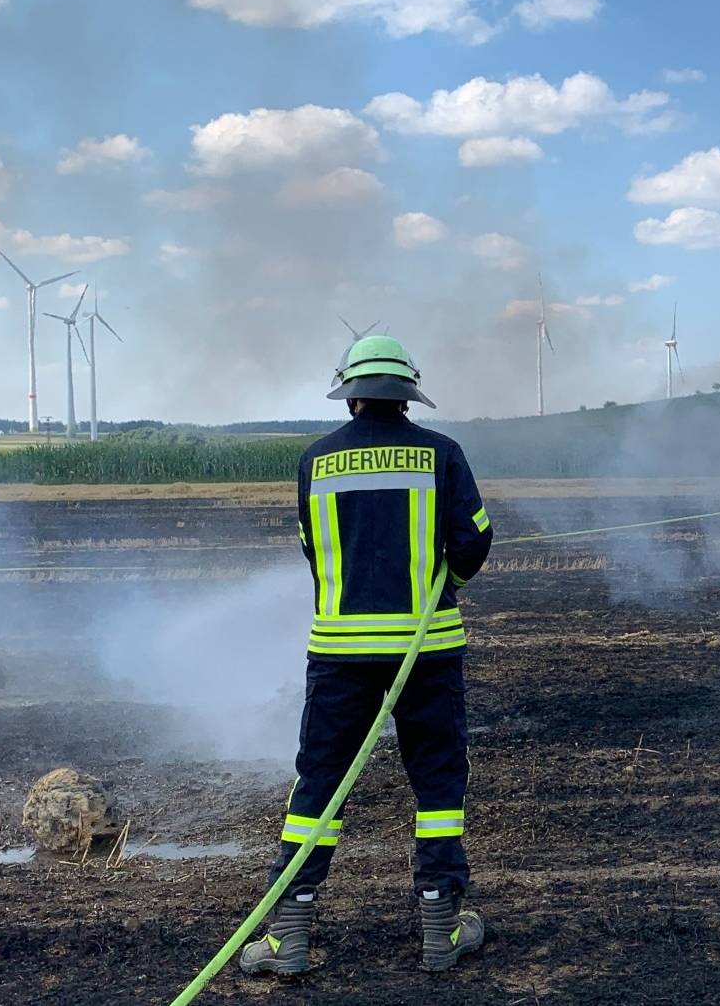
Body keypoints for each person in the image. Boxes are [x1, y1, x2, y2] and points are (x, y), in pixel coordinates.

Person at [240, 334, 494, 978]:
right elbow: (473, 540)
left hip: (339, 652)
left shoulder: (315, 461)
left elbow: (311, 547)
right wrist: (447, 585)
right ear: (408, 393)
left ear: (349, 393)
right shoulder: (441, 453)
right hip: (426, 650)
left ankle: (290, 935)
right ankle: (442, 929)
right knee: (437, 785)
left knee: (319, 784)